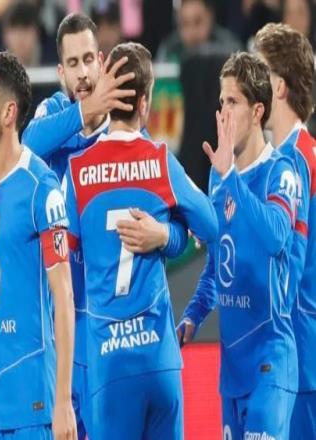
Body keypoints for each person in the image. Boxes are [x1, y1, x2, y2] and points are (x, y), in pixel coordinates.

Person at [22, 13, 189, 439]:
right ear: (60, 72)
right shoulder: (55, 112)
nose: (81, 73)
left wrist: (163, 236)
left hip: (110, 333)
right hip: (63, 325)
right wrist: (88, 110)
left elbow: (180, 229)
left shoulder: (131, 134)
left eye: (87, 60)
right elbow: (27, 145)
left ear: (101, 62)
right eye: (71, 63)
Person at [64, 42, 218, 440]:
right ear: (145, 102)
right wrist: (167, 235)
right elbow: (211, 227)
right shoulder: (161, 161)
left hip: (109, 365)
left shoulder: (77, 172)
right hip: (160, 360)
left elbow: (65, 271)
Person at [178, 51, 298, 439]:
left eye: (233, 102)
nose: (223, 112)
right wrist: (193, 315)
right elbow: (218, 265)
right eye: (221, 102)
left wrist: (232, 177)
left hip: (271, 361)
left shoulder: (281, 171)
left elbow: (277, 236)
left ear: (258, 111)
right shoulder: (219, 179)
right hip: (231, 371)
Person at [0, 50, 77, 440]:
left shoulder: (41, 188)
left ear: (8, 113)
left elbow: (63, 295)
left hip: (34, 404)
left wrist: (62, 401)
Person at [254, 23, 316, 438]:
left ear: (277, 86)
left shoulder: (291, 162)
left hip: (298, 357)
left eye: (257, 72)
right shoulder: (305, 153)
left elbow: (287, 264)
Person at [156, 0, 241, 63]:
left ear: (210, 16)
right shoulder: (170, 47)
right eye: (185, 23)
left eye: (198, 22)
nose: (192, 32)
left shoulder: (228, 43)